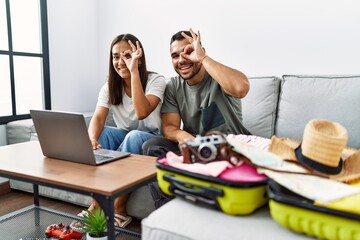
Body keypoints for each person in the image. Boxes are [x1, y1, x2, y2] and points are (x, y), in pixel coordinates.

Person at [73, 33, 166, 228]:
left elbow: (141, 112)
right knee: (103, 133)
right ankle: (95, 206)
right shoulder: (109, 87)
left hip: (151, 138)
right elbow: (98, 116)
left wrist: (133, 73)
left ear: (138, 57)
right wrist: (92, 139)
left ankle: (119, 209)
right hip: (125, 135)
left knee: (133, 137)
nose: (121, 61)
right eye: (116, 56)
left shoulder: (156, 80)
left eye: (127, 55)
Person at [142, 28, 251, 158]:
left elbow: (241, 89)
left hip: (230, 146)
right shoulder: (173, 86)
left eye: (188, 52)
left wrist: (202, 57)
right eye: (175, 56)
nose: (181, 60)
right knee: (152, 145)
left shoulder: (218, 76)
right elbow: (169, 127)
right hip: (195, 146)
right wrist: (189, 140)